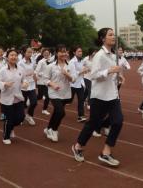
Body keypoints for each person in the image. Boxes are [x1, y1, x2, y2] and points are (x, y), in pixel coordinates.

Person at [72, 28, 124, 167]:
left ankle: (106, 152)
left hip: (113, 95)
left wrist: (118, 75)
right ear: (103, 38)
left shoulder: (113, 56)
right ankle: (78, 146)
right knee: (93, 124)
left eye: (114, 34)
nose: (114, 37)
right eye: (110, 35)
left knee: (118, 121)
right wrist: (109, 71)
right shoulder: (99, 55)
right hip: (99, 96)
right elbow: (94, 75)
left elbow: (111, 74)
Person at [0, 49, 28, 145]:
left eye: (15, 55)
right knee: (8, 119)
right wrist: (5, 84)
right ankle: (6, 136)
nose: (14, 57)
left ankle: (10, 128)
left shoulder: (20, 69)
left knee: (21, 118)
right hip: (6, 99)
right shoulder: (3, 70)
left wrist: (25, 83)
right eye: (11, 55)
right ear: (7, 57)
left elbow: (24, 79)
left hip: (18, 97)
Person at [44, 45, 75, 142]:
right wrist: (52, 84)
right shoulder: (50, 66)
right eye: (61, 52)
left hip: (65, 93)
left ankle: (48, 128)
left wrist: (67, 74)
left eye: (65, 52)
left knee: (57, 112)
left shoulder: (70, 65)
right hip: (54, 92)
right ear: (56, 53)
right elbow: (45, 79)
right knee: (61, 112)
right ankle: (54, 130)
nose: (64, 54)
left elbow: (73, 80)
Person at [18, 45, 37, 126]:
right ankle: (21, 117)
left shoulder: (33, 61)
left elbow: (34, 71)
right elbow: (19, 74)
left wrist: (36, 82)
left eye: (31, 52)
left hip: (32, 84)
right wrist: (27, 74)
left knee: (34, 102)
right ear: (24, 52)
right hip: (23, 85)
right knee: (23, 103)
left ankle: (29, 116)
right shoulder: (20, 63)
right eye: (28, 52)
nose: (30, 54)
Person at [69, 46, 88, 123]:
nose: (80, 53)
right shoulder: (72, 62)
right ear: (74, 52)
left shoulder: (82, 60)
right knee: (69, 100)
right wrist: (82, 71)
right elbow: (73, 74)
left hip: (80, 84)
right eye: (79, 51)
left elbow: (84, 69)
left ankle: (80, 116)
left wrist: (86, 70)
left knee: (81, 100)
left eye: (81, 51)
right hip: (72, 84)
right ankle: (59, 107)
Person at [35, 48, 51, 115]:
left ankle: (44, 109)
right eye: (45, 53)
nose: (46, 54)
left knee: (47, 96)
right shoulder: (41, 61)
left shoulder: (50, 61)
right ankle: (30, 100)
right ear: (43, 54)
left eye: (48, 53)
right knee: (40, 96)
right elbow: (36, 71)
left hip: (47, 82)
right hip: (41, 82)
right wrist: (43, 74)